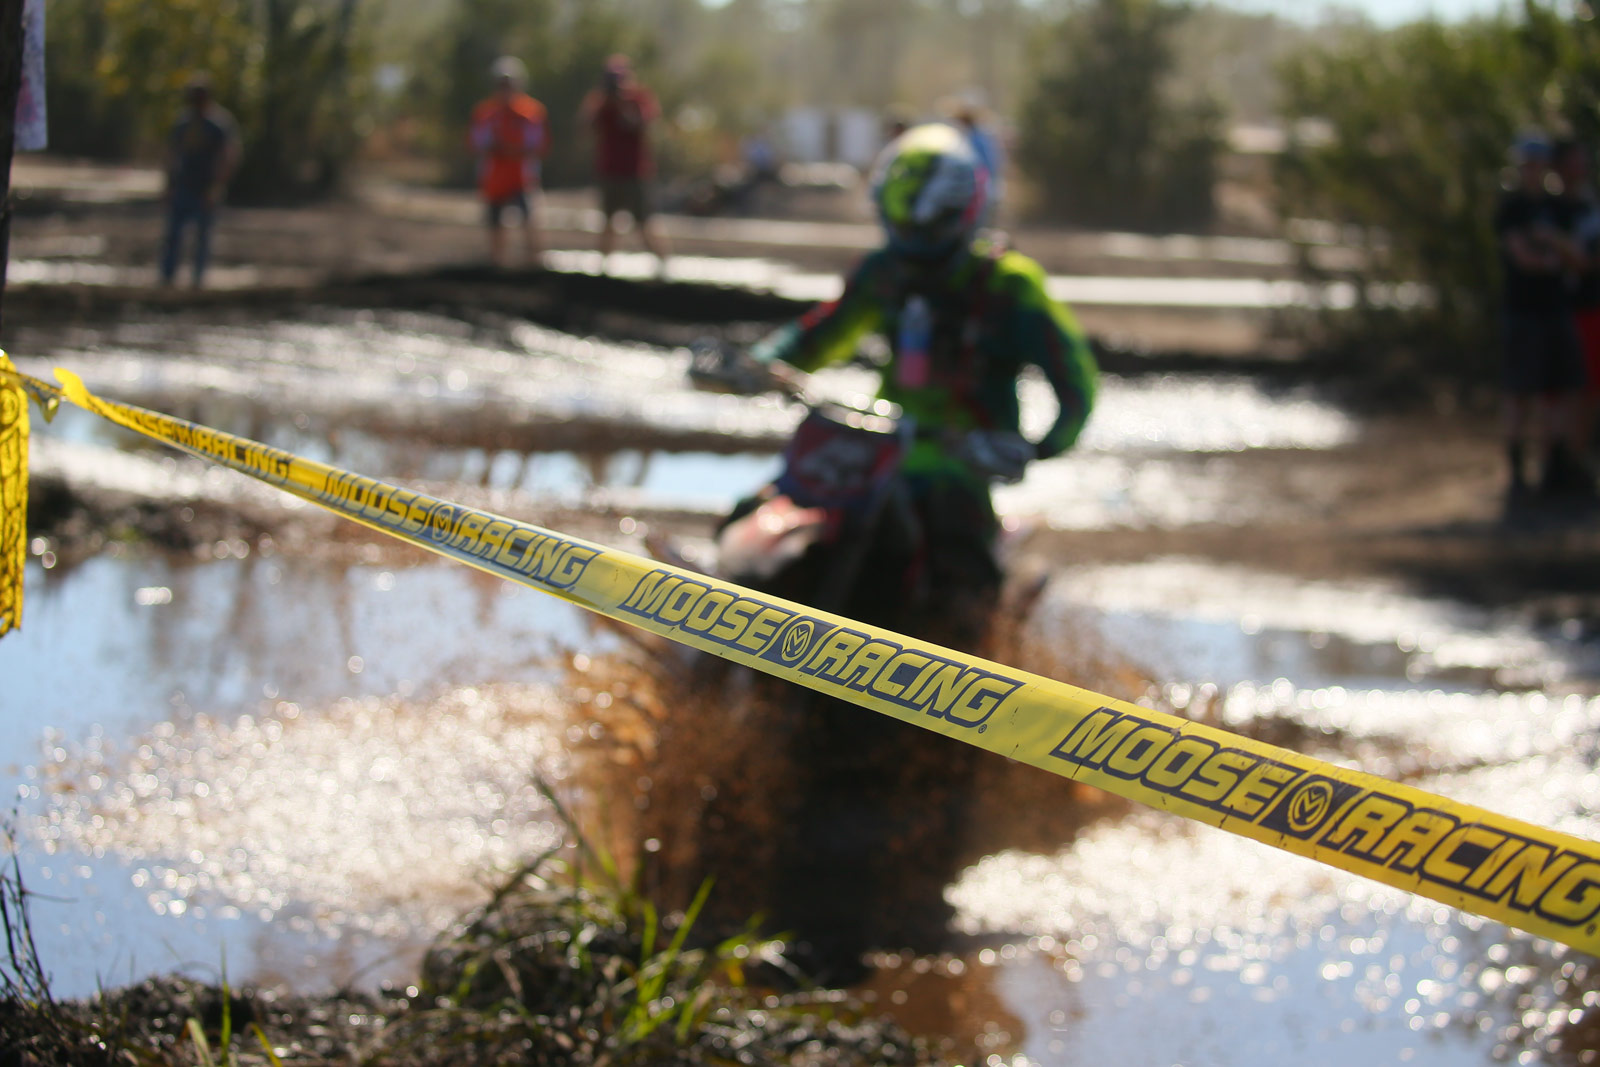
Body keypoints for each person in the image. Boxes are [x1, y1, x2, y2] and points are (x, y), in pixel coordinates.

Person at [746, 122, 1097, 619]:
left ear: (963, 212)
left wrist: (1038, 447)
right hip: (881, 449)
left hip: (961, 461)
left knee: (960, 592)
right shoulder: (883, 271)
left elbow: (1076, 385)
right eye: (903, 226)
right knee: (773, 503)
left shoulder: (1008, 286)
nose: (913, 242)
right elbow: (820, 335)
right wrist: (758, 364)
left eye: (925, 230)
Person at [1494, 132, 1591, 503]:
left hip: (1557, 311)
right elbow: (1523, 257)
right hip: (1521, 312)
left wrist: (1552, 243)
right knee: (1519, 394)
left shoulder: (1558, 207)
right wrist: (1551, 256)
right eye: (1527, 164)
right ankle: (1516, 475)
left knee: (1561, 391)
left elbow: (1577, 257)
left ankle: (1555, 468)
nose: (1533, 171)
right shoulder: (1512, 208)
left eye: (1539, 164)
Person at [581, 54, 669, 267]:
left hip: (635, 171)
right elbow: (586, 128)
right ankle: (603, 269)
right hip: (609, 170)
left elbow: (645, 126)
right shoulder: (600, 102)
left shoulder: (639, 98)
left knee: (644, 223)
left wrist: (623, 105)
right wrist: (599, 102)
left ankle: (664, 265)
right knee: (608, 222)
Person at [159, 73, 239, 288]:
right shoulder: (183, 123)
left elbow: (227, 156)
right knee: (173, 235)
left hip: (206, 187)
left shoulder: (219, 125)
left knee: (202, 237)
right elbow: (172, 155)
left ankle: (198, 280)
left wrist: (217, 186)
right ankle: (167, 277)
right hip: (183, 186)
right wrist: (168, 184)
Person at [470, 56, 548, 267]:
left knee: (530, 219)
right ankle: (497, 263)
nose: (505, 88)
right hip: (494, 178)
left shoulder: (531, 111)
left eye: (509, 83)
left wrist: (510, 150)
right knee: (495, 222)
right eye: (501, 83)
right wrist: (499, 149)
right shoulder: (485, 112)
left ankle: (535, 263)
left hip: (522, 177)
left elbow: (538, 145)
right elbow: (477, 143)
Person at [1554, 138, 1600, 479]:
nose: (1581, 166)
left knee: (1591, 388)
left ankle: (1580, 458)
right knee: (1570, 389)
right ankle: (1565, 461)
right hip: (1567, 309)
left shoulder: (1589, 204)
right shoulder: (1551, 208)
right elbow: (1572, 262)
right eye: (1574, 160)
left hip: (1593, 306)